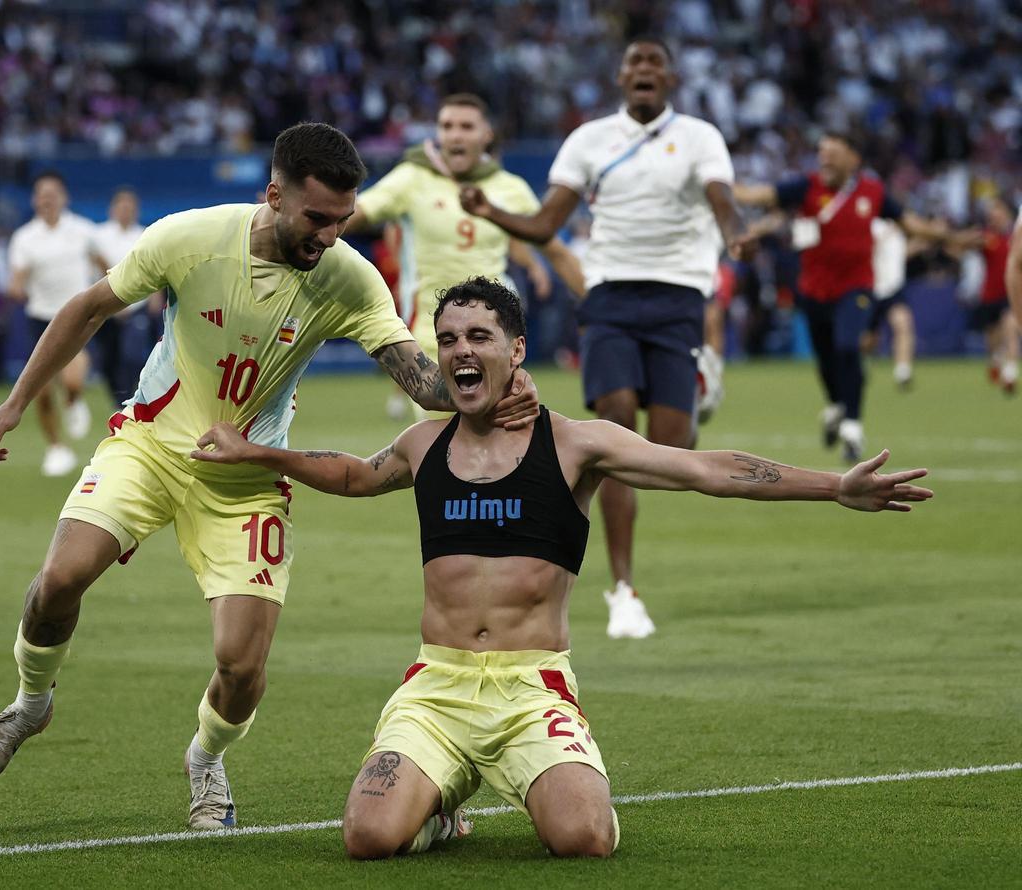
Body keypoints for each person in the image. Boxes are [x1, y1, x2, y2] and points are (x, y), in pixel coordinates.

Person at [191, 277, 933, 859]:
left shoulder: (577, 444)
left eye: (478, 336)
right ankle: (439, 817)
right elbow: (354, 474)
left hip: (529, 686)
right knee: (367, 838)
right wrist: (260, 452)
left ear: (517, 350)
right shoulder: (425, 444)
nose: (458, 351)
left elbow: (706, 467)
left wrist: (835, 487)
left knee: (585, 839)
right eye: (447, 339)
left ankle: (511, 781)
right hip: (436, 688)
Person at [0, 124, 539, 830]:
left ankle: (206, 759)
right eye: (317, 218)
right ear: (274, 195)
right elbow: (88, 309)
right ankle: (29, 705)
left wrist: (495, 384)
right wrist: (17, 403)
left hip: (245, 479)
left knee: (240, 665)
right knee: (58, 581)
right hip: (149, 446)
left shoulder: (350, 279)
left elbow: (422, 382)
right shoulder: (190, 239)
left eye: (343, 220)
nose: (329, 235)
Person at [458, 37, 747, 640]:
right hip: (609, 294)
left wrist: (735, 233)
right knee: (616, 428)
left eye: (654, 63)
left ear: (670, 78)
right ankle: (623, 590)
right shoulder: (591, 139)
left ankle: (698, 385)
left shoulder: (699, 137)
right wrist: (489, 210)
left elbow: (722, 198)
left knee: (672, 446)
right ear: (621, 78)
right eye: (634, 63)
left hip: (677, 296)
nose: (644, 70)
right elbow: (543, 224)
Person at [346, 92, 584, 420]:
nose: (455, 134)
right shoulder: (411, 178)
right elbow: (352, 214)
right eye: (447, 126)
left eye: (466, 126)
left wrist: (595, 301)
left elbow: (556, 250)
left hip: (496, 342)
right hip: (433, 340)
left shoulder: (509, 188)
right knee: (442, 453)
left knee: (501, 452)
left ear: (486, 135)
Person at [733, 132, 947, 462]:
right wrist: (719, 185)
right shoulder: (805, 186)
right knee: (827, 359)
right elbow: (758, 195)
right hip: (814, 291)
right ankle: (836, 405)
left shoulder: (873, 192)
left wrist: (949, 236)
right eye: (822, 153)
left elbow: (909, 223)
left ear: (853, 159)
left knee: (849, 346)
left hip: (856, 288)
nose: (825, 159)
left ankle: (852, 427)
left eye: (833, 153)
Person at [7, 171, 102, 476]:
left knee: (73, 380)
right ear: (35, 200)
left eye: (52, 194)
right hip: (40, 317)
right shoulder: (24, 237)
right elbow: (17, 278)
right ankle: (56, 448)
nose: (46, 200)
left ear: (64, 197)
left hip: (77, 316)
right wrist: (16, 289)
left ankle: (74, 401)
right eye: (41, 194)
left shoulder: (83, 231)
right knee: (42, 391)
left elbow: (106, 264)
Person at [92, 187, 164, 406]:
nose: (125, 211)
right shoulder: (98, 235)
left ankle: (127, 396)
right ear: (112, 209)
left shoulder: (145, 234)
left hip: (136, 304)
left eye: (129, 207)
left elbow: (156, 267)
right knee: (108, 356)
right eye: (121, 206)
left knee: (132, 353)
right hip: (106, 304)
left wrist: (156, 295)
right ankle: (116, 396)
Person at [945, 198, 1018, 394]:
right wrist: (969, 238)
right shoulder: (987, 237)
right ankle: (995, 362)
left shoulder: (1015, 236)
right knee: (992, 340)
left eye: (998, 212)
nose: (995, 217)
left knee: (1010, 327)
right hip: (989, 296)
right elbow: (954, 247)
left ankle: (1010, 373)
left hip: (1010, 293)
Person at [864, 218, 916, 390]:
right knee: (867, 340)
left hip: (893, 288)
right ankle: (864, 364)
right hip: (871, 287)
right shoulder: (870, 224)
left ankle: (903, 371)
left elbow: (898, 255)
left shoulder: (899, 229)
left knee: (903, 323)